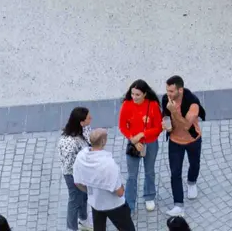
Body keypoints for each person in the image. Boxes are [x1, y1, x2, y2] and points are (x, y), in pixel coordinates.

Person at [74, 127, 136, 231]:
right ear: (103, 142)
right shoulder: (109, 164)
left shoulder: (81, 157)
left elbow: (77, 182)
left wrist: (89, 191)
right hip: (114, 205)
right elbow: (120, 192)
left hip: (96, 203)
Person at [118, 80, 162, 213]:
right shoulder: (127, 104)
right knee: (132, 175)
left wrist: (142, 134)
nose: (134, 97)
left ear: (145, 94)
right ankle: (130, 203)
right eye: (132, 94)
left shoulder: (153, 105)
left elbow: (159, 127)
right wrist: (133, 139)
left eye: (137, 94)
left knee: (149, 172)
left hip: (150, 143)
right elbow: (122, 126)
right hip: (133, 144)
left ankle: (149, 196)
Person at [162, 77, 202, 215]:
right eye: (167, 90)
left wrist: (173, 111)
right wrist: (166, 125)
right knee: (175, 173)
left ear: (180, 89)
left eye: (171, 91)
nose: (168, 94)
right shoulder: (165, 99)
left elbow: (186, 125)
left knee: (194, 164)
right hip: (175, 141)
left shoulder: (193, 102)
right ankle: (178, 205)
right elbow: (166, 116)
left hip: (192, 139)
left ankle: (191, 182)